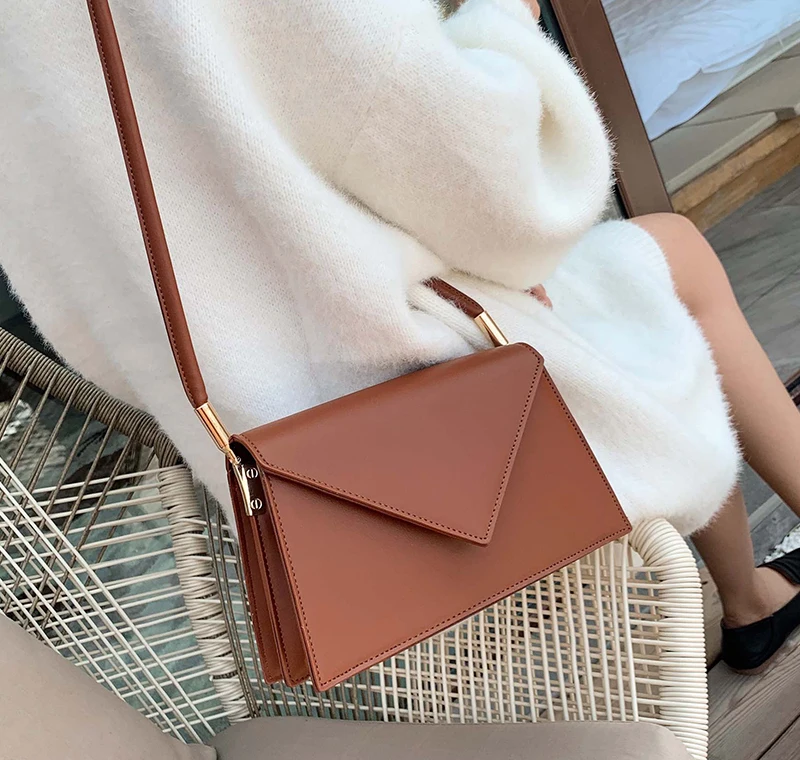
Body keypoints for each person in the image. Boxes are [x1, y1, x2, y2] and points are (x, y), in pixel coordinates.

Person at [0, 0, 797, 673]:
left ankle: (747, 601)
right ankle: (746, 597)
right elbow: (502, 189)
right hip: (433, 382)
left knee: (636, 280)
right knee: (665, 260)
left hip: (277, 458)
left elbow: (93, 315)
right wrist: (504, 17)